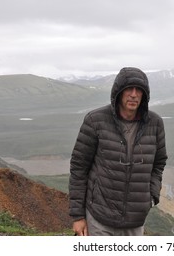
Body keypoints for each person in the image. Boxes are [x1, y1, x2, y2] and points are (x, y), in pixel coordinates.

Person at [69, 67, 168, 236]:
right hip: (99, 218)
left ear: (145, 95)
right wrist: (78, 216)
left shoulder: (155, 123)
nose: (134, 94)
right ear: (118, 92)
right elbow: (79, 168)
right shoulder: (95, 120)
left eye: (139, 90)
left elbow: (158, 163)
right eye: (128, 89)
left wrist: (151, 196)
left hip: (135, 221)